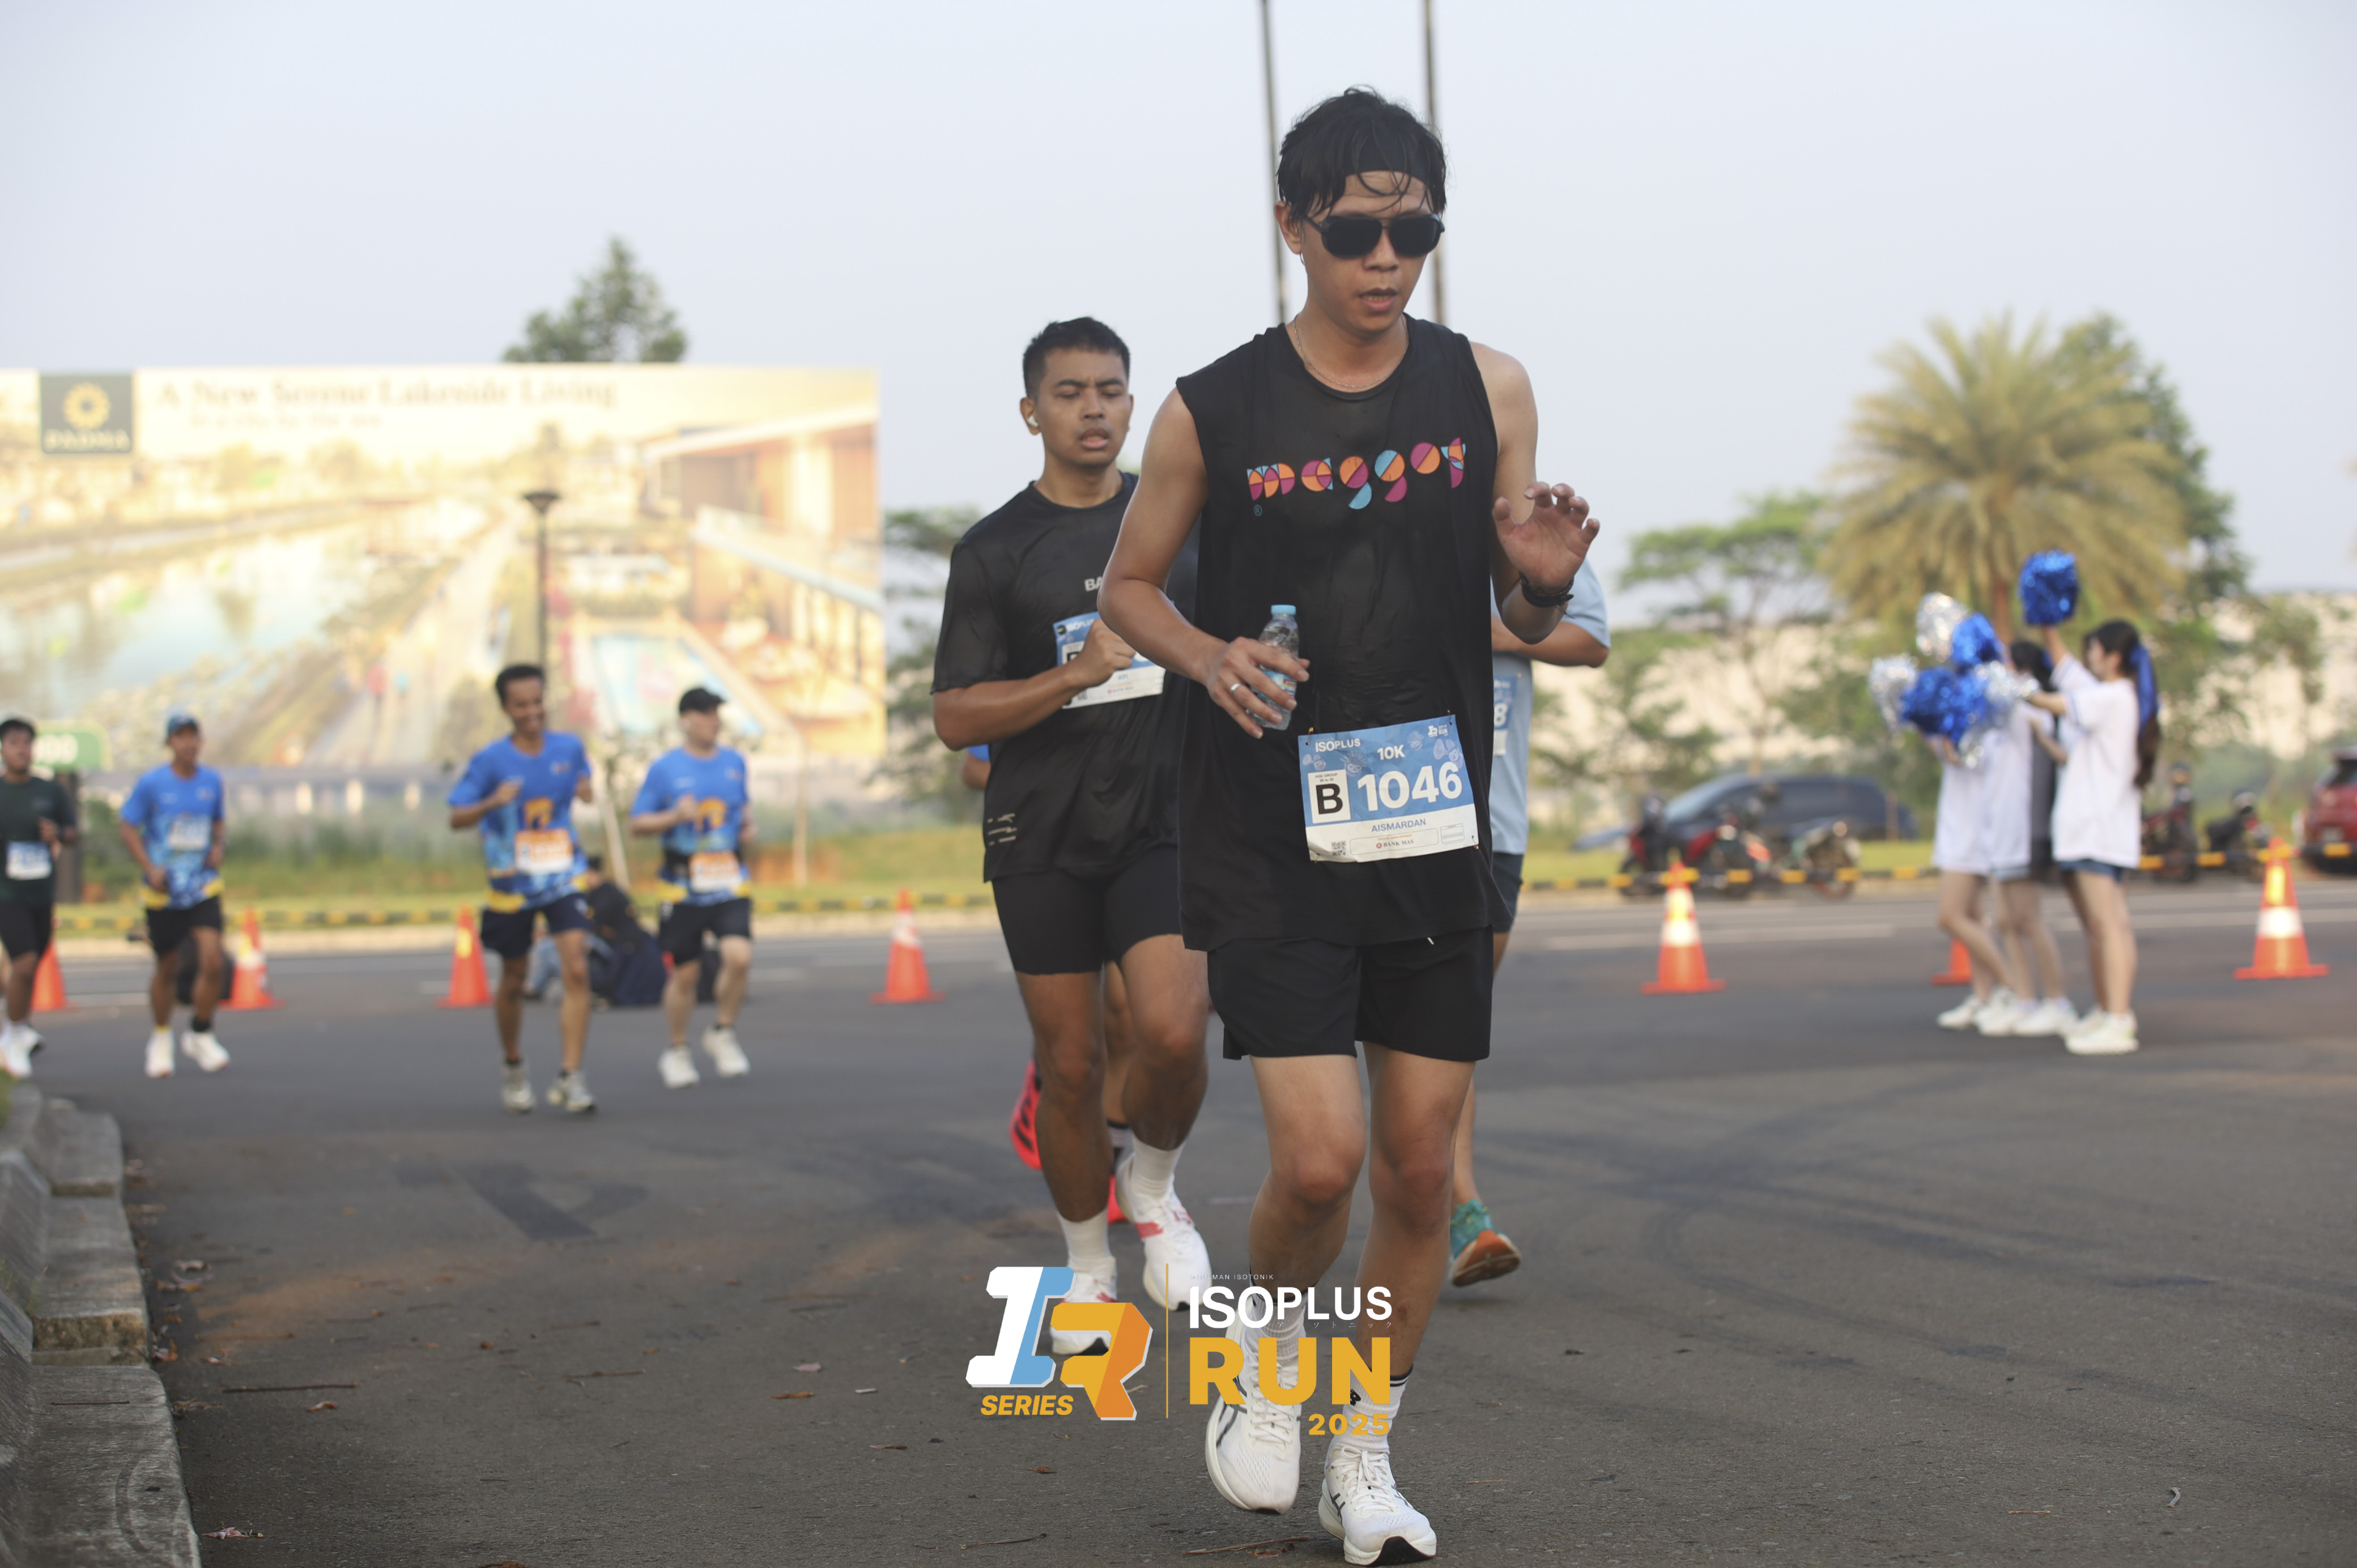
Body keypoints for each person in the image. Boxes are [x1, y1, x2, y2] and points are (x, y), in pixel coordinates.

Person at [1099, 89, 1599, 1564]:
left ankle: (1361, 1449)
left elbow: (1519, 618)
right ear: (1293, 228)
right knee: (1319, 1164)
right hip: (1269, 822)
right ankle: (1262, 1360)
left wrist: (1538, 586)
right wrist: (1208, 657)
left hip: (1432, 815)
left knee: (1422, 1172)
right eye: (1356, 231)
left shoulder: (1488, 387)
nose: (1387, 258)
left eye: (1414, 230)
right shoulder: (1214, 406)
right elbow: (1130, 585)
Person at [932, 317, 1214, 1351]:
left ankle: (1155, 1184)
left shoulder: (1182, 529)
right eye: (1070, 392)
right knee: (1072, 1065)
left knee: (1175, 1032)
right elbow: (955, 714)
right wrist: (1074, 674)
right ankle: (1088, 1267)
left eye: (1110, 390)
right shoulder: (995, 549)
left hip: (1164, 822)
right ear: (1031, 412)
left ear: (1133, 404)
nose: (1094, 409)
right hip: (1040, 834)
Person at [1448, 582, 1609, 1288]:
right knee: (1409, 1027)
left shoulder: (1526, 537)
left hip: (1494, 827)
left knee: (1447, 1026)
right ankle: (1451, 1205)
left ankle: (1452, 1206)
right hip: (1382, 812)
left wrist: (1493, 631)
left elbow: (1591, 641)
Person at [448, 664, 598, 1113]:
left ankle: (571, 1076)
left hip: (562, 874)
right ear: (506, 709)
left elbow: (584, 787)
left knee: (577, 967)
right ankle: (513, 1064)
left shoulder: (569, 747)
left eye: (537, 702)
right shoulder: (490, 761)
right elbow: (457, 817)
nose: (532, 712)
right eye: (521, 706)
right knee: (515, 978)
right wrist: (492, 802)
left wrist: (587, 790)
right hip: (511, 882)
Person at [2026, 620, 2155, 1055]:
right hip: (2093, 831)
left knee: (2108, 925)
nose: (2088, 657)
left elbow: (2054, 700)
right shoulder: (2106, 694)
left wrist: (2013, 689)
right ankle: (2108, 1010)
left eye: (2094, 650)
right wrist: (2048, 626)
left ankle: (2118, 1019)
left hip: (2098, 831)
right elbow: (2065, 670)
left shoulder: (2113, 697)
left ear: (2113, 657)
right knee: (2101, 927)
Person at [629, 687, 756, 1086]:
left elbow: (743, 809)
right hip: (683, 886)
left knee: (739, 958)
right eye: (704, 713)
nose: (713, 721)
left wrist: (748, 827)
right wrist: (673, 817)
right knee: (686, 975)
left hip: (729, 879)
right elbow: (638, 823)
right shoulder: (665, 768)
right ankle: (678, 1049)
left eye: (716, 712)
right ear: (686, 720)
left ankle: (723, 1031)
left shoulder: (735, 762)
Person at [119, 711, 231, 1077]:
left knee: (213, 960)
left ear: (201, 741)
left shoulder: (212, 781)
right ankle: (161, 1036)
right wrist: (150, 868)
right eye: (180, 737)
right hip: (164, 890)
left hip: (201, 885)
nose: (188, 743)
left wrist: (219, 846)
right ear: (170, 743)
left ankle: (201, 1031)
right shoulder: (153, 783)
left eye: (193, 736)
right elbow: (128, 827)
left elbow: (218, 822)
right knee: (167, 966)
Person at [1928, 680, 2031, 1034]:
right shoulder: (1962, 725)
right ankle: (1983, 995)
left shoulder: (1981, 728)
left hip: (1971, 834)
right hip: (1957, 829)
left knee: (1950, 916)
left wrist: (1940, 728)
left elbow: (1960, 758)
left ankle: (2010, 986)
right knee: (1972, 917)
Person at [1981, 642, 2072, 1036]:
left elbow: (2052, 737)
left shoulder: (2032, 710)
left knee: (2028, 919)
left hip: (2021, 828)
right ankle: (2024, 998)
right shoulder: (1996, 715)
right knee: (2004, 921)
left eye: (2006, 665)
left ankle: (2058, 1001)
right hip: (1996, 830)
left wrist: (2021, 693)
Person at [1, 718, 79, 1079]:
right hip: (7, 892)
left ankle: (19, 1026)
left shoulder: (50, 790)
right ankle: (14, 1035)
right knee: (25, 963)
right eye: (14, 743)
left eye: (27, 743)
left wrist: (58, 832)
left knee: (32, 964)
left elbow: (74, 833)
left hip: (41, 891)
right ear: (3, 749)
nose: (22, 749)